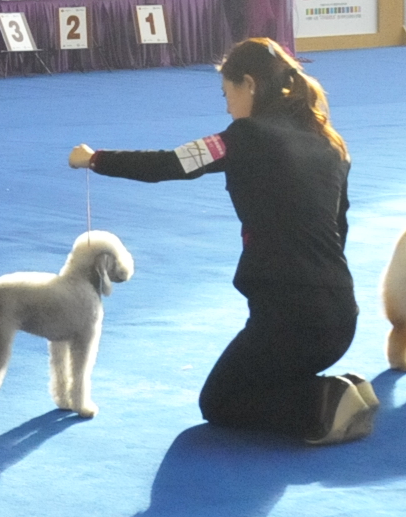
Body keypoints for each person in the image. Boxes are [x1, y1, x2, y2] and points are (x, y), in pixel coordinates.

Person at [69, 37, 372, 445]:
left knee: (221, 401)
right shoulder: (329, 143)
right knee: (260, 378)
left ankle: (326, 400)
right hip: (341, 314)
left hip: (291, 318)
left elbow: (172, 163)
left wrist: (95, 159)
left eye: (227, 94)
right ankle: (344, 389)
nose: (228, 106)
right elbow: (340, 227)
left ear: (249, 84)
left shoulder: (243, 136)